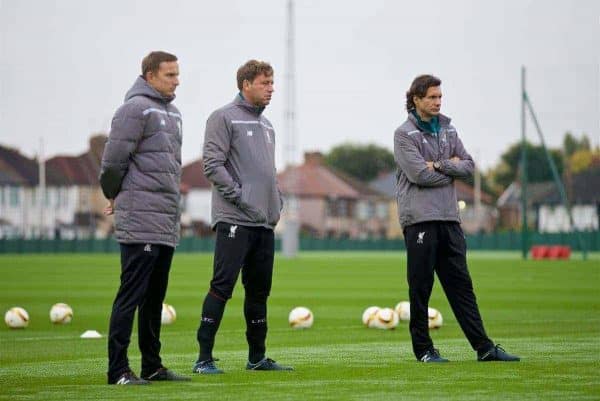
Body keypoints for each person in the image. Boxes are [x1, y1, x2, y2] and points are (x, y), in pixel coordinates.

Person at [394, 74, 520, 363]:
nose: (438, 102)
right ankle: (424, 350)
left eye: (440, 97)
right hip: (420, 221)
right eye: (432, 97)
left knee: (462, 287)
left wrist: (439, 165)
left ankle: (484, 348)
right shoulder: (403, 134)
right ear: (416, 100)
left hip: (450, 219)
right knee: (421, 287)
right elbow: (419, 175)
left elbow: (468, 167)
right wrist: (449, 169)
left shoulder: (448, 131)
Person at [192, 60, 292, 374]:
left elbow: (268, 173)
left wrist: (276, 203)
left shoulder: (268, 126)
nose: (271, 88)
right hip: (234, 219)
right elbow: (212, 165)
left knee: (259, 291)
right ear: (246, 84)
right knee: (222, 286)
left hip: (263, 222)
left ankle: (257, 358)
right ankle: (203, 359)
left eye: (272, 83)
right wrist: (241, 197)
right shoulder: (223, 118)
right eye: (265, 83)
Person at [100, 51, 190, 384]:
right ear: (150, 76)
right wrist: (112, 193)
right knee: (132, 294)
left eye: (178, 74)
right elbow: (112, 162)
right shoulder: (134, 109)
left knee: (154, 299)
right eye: (170, 75)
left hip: (165, 219)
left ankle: (152, 365)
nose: (177, 80)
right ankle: (118, 369)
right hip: (140, 219)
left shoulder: (174, 113)